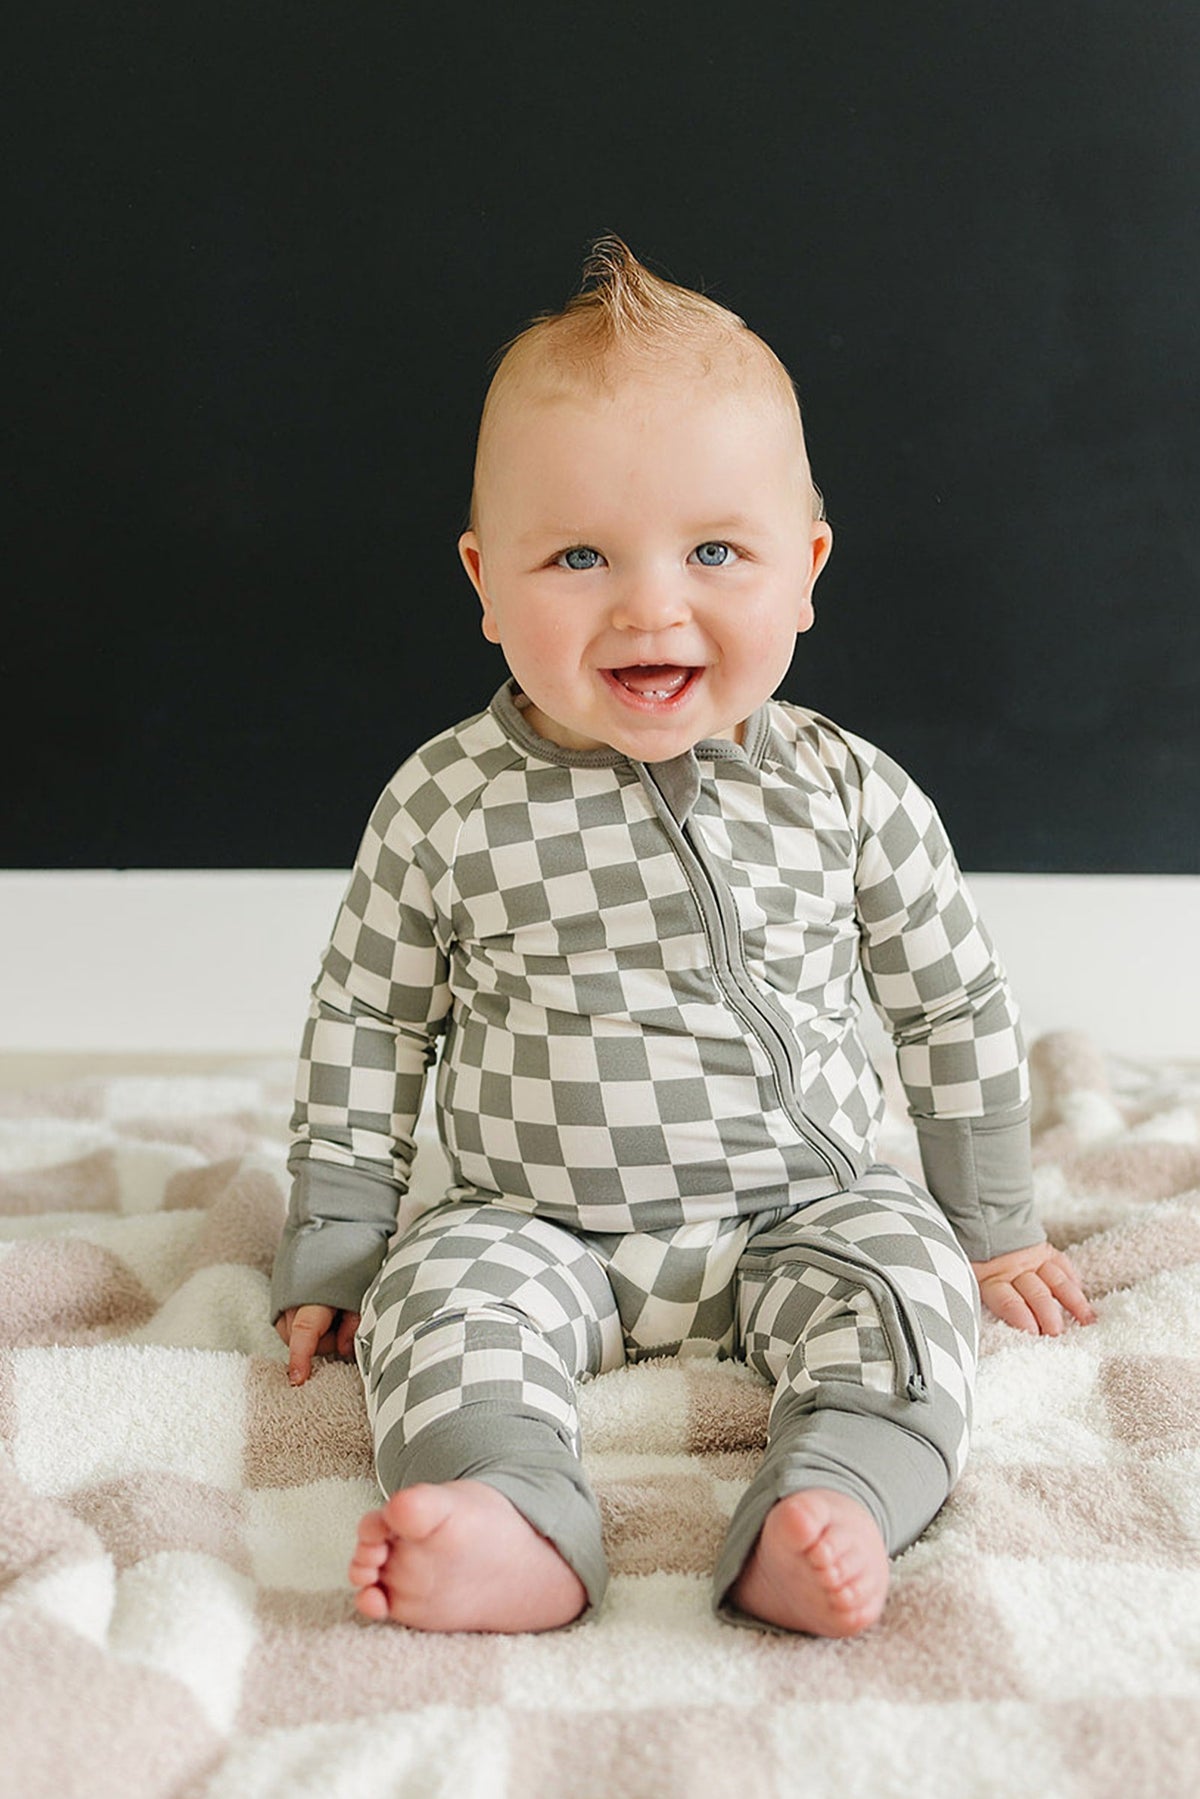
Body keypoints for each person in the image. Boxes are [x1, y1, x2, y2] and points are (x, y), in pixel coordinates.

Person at [271, 235, 1094, 1638]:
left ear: (808, 567)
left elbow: (951, 1009)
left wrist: (992, 1228)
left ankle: (830, 1499)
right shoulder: (448, 802)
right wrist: (342, 1251)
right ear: (483, 580)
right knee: (441, 1314)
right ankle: (506, 1515)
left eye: (716, 550)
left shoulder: (845, 791)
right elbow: (369, 1023)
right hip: (529, 1219)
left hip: (805, 1205)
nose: (653, 603)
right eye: (578, 554)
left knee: (911, 1301)